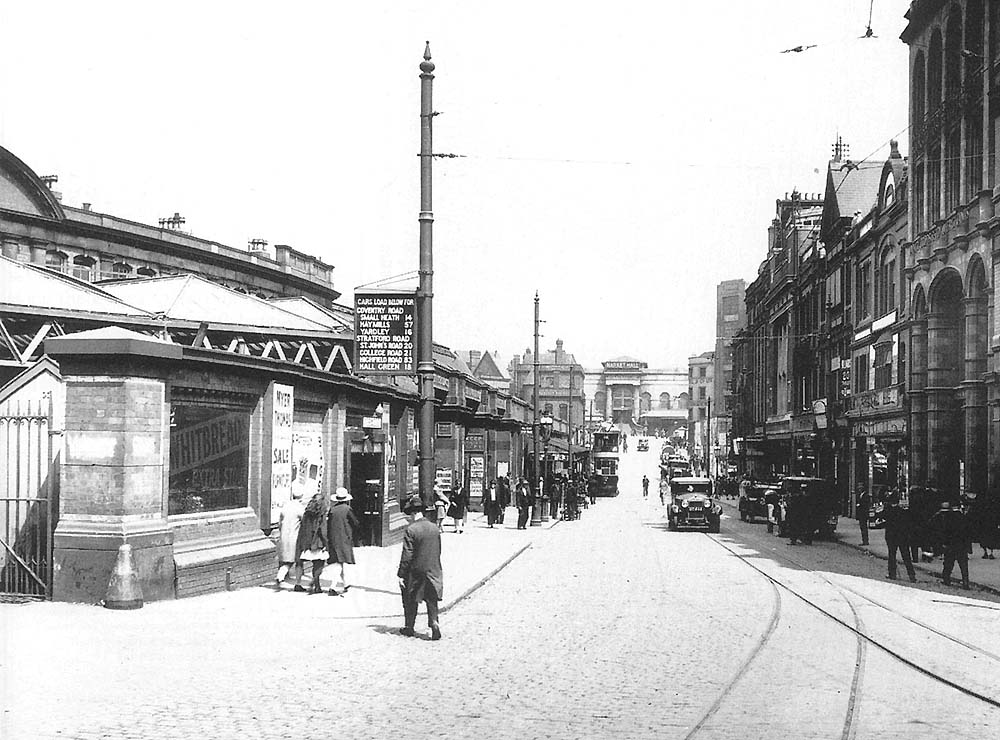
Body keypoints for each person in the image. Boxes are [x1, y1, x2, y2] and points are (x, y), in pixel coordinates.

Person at [397, 494, 443, 640]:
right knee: (431, 597)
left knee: (410, 597)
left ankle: (409, 627)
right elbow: (438, 549)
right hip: (433, 567)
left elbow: (407, 554)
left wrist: (401, 574)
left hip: (416, 570)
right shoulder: (434, 528)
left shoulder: (411, 530)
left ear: (413, 513)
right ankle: (434, 622)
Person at [930, 500, 972, 589]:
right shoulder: (964, 517)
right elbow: (968, 532)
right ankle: (965, 582)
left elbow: (945, 531)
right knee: (963, 565)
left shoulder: (948, 518)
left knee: (948, 563)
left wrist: (944, 543)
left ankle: (946, 579)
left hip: (951, 544)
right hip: (962, 545)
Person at [326, 487, 359, 596]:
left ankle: (345, 584)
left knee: (339, 561)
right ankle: (333, 587)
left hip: (333, 538)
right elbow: (355, 523)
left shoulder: (332, 510)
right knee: (340, 562)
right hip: (344, 538)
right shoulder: (347, 509)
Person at [295, 491, 329, 594]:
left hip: (306, 540)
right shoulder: (321, 514)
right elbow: (323, 530)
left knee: (302, 561)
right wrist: (326, 543)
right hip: (317, 542)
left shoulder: (306, 513)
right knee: (318, 563)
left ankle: (301, 583)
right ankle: (316, 584)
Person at [883, 490, 916, 583]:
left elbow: (882, 519)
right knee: (906, 556)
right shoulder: (903, 512)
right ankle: (912, 575)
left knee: (892, 555)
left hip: (891, 536)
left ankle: (892, 574)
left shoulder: (888, 511)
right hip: (902, 536)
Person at [275, 490, 305, 590]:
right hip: (295, 538)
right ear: (302, 496)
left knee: (286, 560)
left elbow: (279, 523)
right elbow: (304, 524)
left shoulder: (286, 507)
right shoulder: (300, 509)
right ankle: (298, 583)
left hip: (284, 537)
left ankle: (280, 576)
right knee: (298, 561)